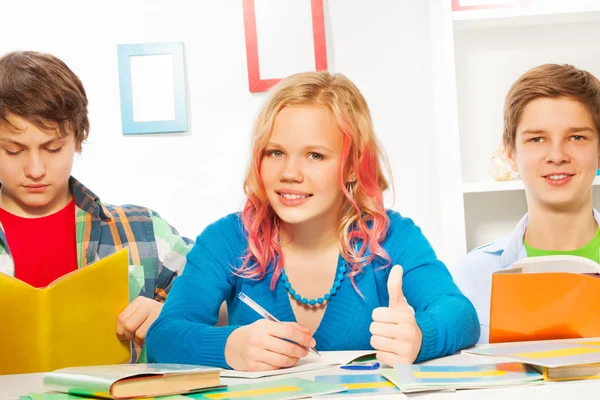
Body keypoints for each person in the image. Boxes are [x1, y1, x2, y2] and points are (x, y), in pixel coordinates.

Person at [146, 71, 479, 371]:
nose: (290, 173)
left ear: (351, 167)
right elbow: (163, 335)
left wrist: (420, 336)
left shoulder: (393, 237)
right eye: (275, 152)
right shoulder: (227, 239)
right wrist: (228, 346)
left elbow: (459, 313)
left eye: (315, 155)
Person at [0, 51, 193, 359]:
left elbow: (228, 303)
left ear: (78, 138)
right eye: (12, 150)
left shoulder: (144, 231)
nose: (35, 169)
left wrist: (174, 319)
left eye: (53, 148)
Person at [451, 64, 600, 343]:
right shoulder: (469, 278)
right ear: (510, 152)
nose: (557, 155)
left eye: (576, 137)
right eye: (537, 139)